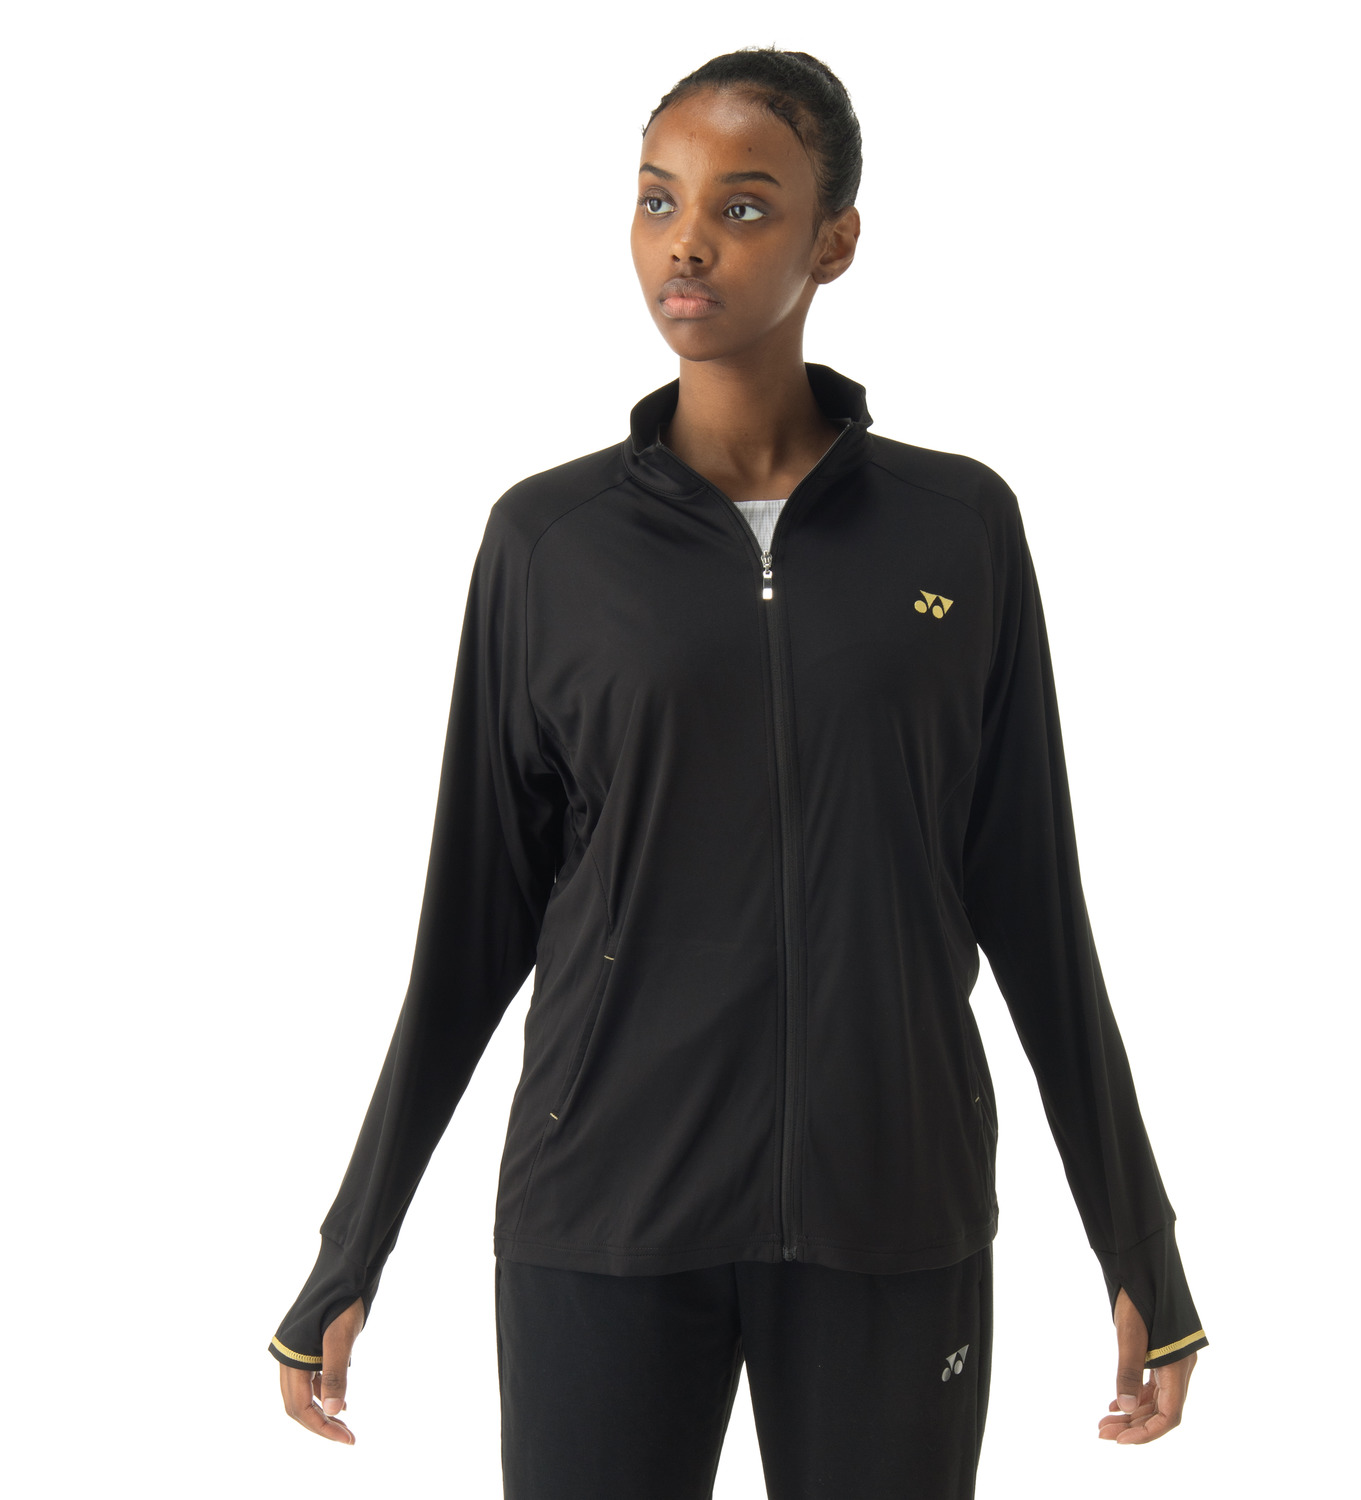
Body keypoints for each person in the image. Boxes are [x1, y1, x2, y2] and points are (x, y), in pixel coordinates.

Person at [269, 45, 1207, 1494]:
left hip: (893, 1210)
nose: (687, 242)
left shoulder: (957, 529)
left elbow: (1034, 899)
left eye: (745, 205)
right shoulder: (549, 544)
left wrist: (1137, 1240)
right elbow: (472, 925)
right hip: (605, 1212)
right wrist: (354, 1244)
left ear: (837, 240)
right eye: (658, 199)